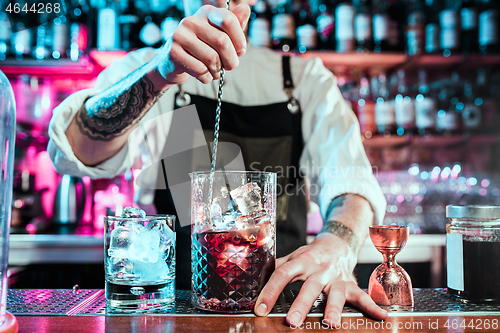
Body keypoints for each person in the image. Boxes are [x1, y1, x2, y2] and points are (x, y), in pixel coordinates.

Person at [48, 0, 388, 327]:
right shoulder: (146, 68)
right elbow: (77, 152)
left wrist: (338, 244)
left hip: (282, 312)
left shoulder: (304, 79)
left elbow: (352, 181)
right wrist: (160, 73)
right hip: (181, 311)